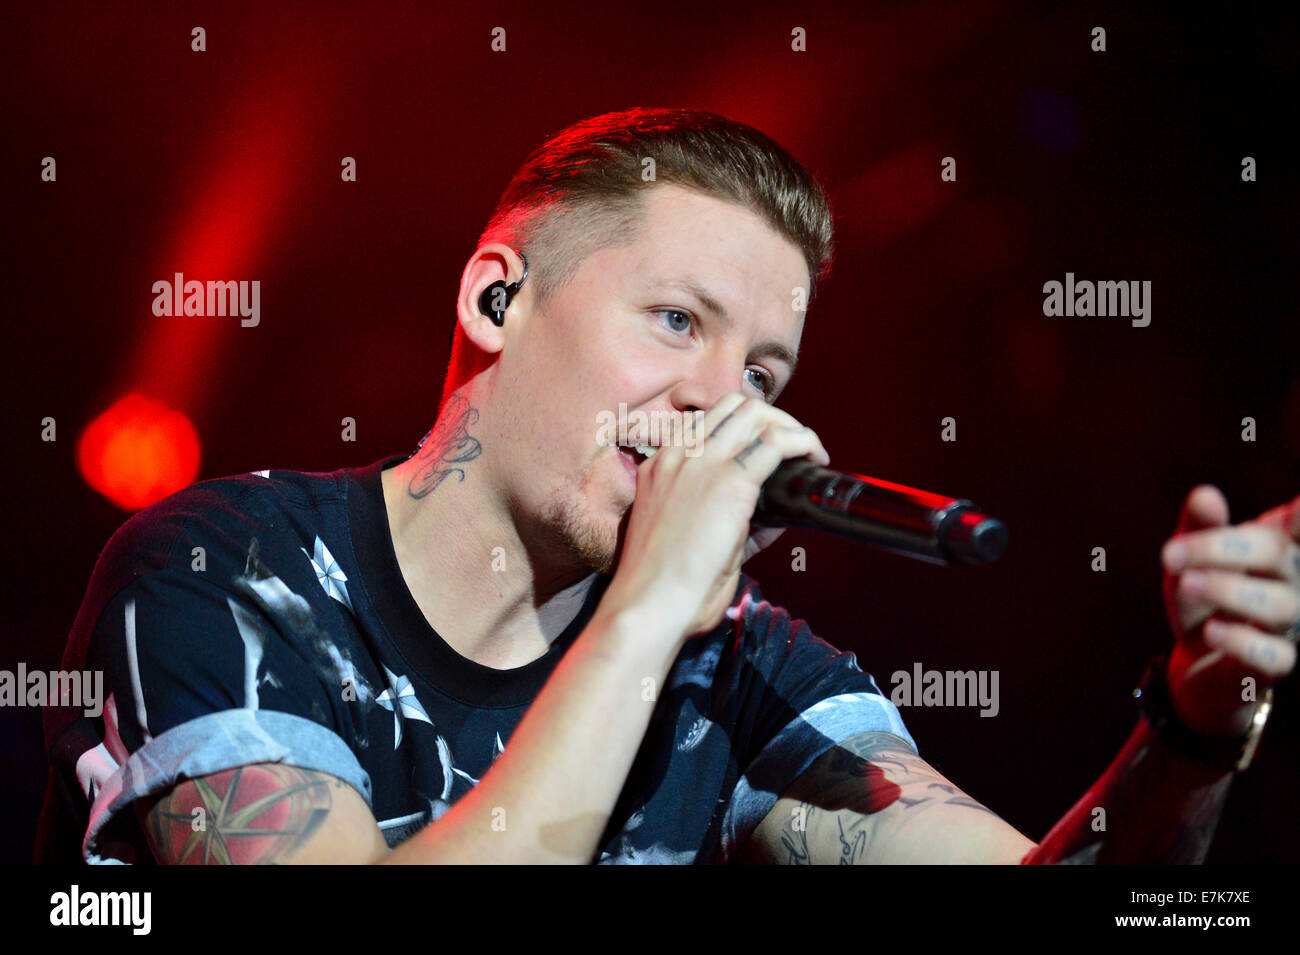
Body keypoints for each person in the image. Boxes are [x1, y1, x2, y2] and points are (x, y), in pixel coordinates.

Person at [38, 107, 1298, 865]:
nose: (721, 398)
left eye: (762, 366)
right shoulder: (227, 568)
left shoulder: (741, 665)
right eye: (675, 321)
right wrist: (644, 612)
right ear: (497, 297)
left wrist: (1193, 727)